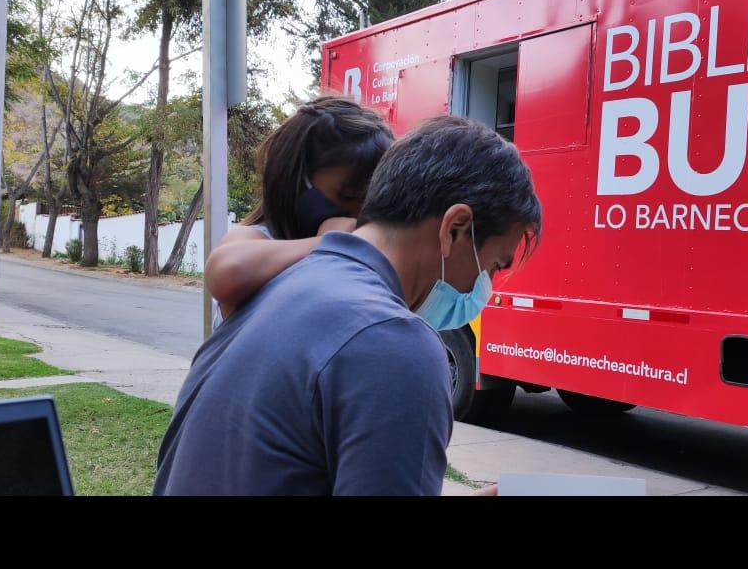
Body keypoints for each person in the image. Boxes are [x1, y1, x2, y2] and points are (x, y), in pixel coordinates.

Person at [155, 116, 541, 496]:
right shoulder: (395, 343)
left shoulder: (277, 286)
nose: (481, 286)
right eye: (492, 265)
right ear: (455, 227)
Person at [206, 96, 394, 328]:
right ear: (293, 182)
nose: (356, 214)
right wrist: (331, 242)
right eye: (346, 197)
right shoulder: (259, 237)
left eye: (369, 201)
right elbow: (228, 271)